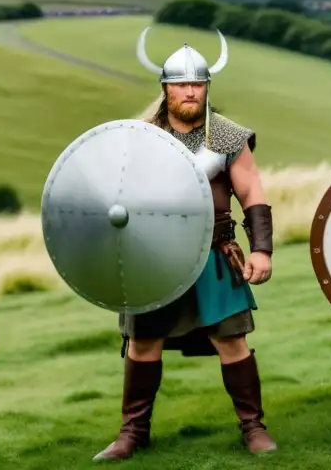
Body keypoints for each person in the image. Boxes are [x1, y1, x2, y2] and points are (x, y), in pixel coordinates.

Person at [95, 30, 277, 461]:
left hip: (214, 255)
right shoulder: (140, 136)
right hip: (152, 261)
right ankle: (132, 433)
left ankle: (253, 428)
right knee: (143, 343)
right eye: (181, 84)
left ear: (207, 87)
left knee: (233, 342)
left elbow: (252, 192)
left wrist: (261, 248)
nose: (190, 91)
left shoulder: (228, 137)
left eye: (197, 84)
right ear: (166, 88)